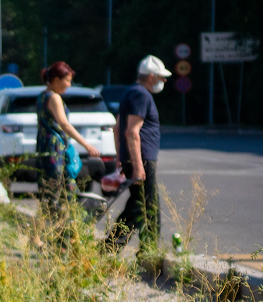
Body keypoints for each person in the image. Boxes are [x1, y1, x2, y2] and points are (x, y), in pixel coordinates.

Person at [111, 55, 170, 249]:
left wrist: (121, 157)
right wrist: (136, 166)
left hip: (136, 158)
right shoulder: (141, 95)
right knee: (146, 206)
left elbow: (117, 128)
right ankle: (117, 247)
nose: (164, 81)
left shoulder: (130, 92)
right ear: (151, 76)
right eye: (161, 77)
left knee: (141, 205)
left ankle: (141, 249)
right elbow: (132, 132)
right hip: (142, 159)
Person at [36, 62, 100, 204]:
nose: (69, 85)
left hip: (44, 146)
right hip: (55, 148)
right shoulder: (54, 98)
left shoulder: (42, 96)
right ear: (56, 79)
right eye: (68, 80)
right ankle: (67, 220)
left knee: (49, 188)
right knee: (62, 187)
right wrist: (86, 145)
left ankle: (50, 220)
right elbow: (64, 124)